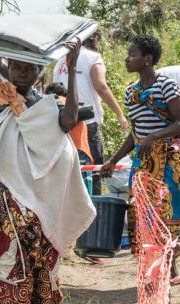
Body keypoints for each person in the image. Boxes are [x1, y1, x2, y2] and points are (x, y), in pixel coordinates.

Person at [0, 40, 96, 304]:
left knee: (47, 270)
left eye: (30, 67)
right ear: (6, 65)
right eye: (17, 66)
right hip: (8, 204)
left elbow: (69, 122)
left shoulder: (45, 104)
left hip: (40, 204)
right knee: (13, 277)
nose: (23, 72)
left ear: (39, 72)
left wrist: (73, 72)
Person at [100, 34, 180, 285]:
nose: (127, 58)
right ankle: (155, 268)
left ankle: (170, 269)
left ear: (148, 59)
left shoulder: (167, 85)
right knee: (144, 214)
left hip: (170, 160)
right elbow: (135, 133)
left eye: (132, 54)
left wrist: (154, 136)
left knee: (168, 212)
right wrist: (113, 160)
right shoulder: (131, 92)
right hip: (144, 160)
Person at [52, 29, 128, 195]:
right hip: (86, 123)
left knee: (66, 169)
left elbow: (52, 88)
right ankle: (95, 208)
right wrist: (120, 114)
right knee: (93, 169)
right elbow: (101, 86)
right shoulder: (93, 58)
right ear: (95, 39)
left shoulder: (60, 60)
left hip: (61, 122)